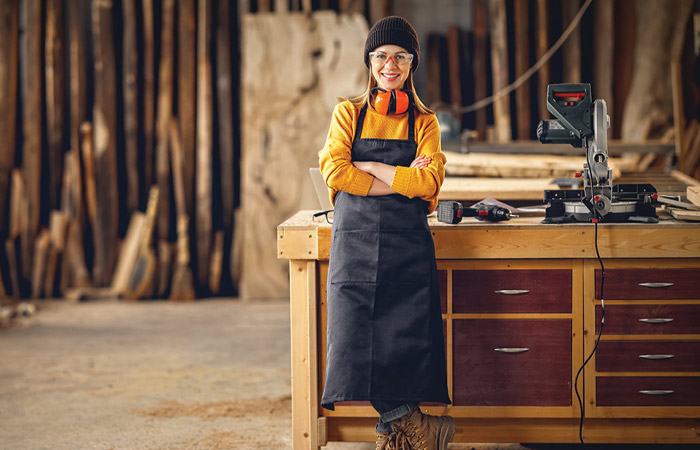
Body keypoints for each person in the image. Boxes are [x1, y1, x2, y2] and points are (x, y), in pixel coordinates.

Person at [318, 16, 455, 450]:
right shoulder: (348, 113)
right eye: (381, 56)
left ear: (412, 63)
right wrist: (400, 178)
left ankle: (392, 438)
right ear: (369, 61)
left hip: (406, 254)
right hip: (354, 252)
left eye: (399, 56)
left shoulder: (424, 122)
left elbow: (429, 184)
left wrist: (373, 167)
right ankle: (416, 426)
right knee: (355, 349)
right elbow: (334, 172)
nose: (389, 65)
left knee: (401, 350)